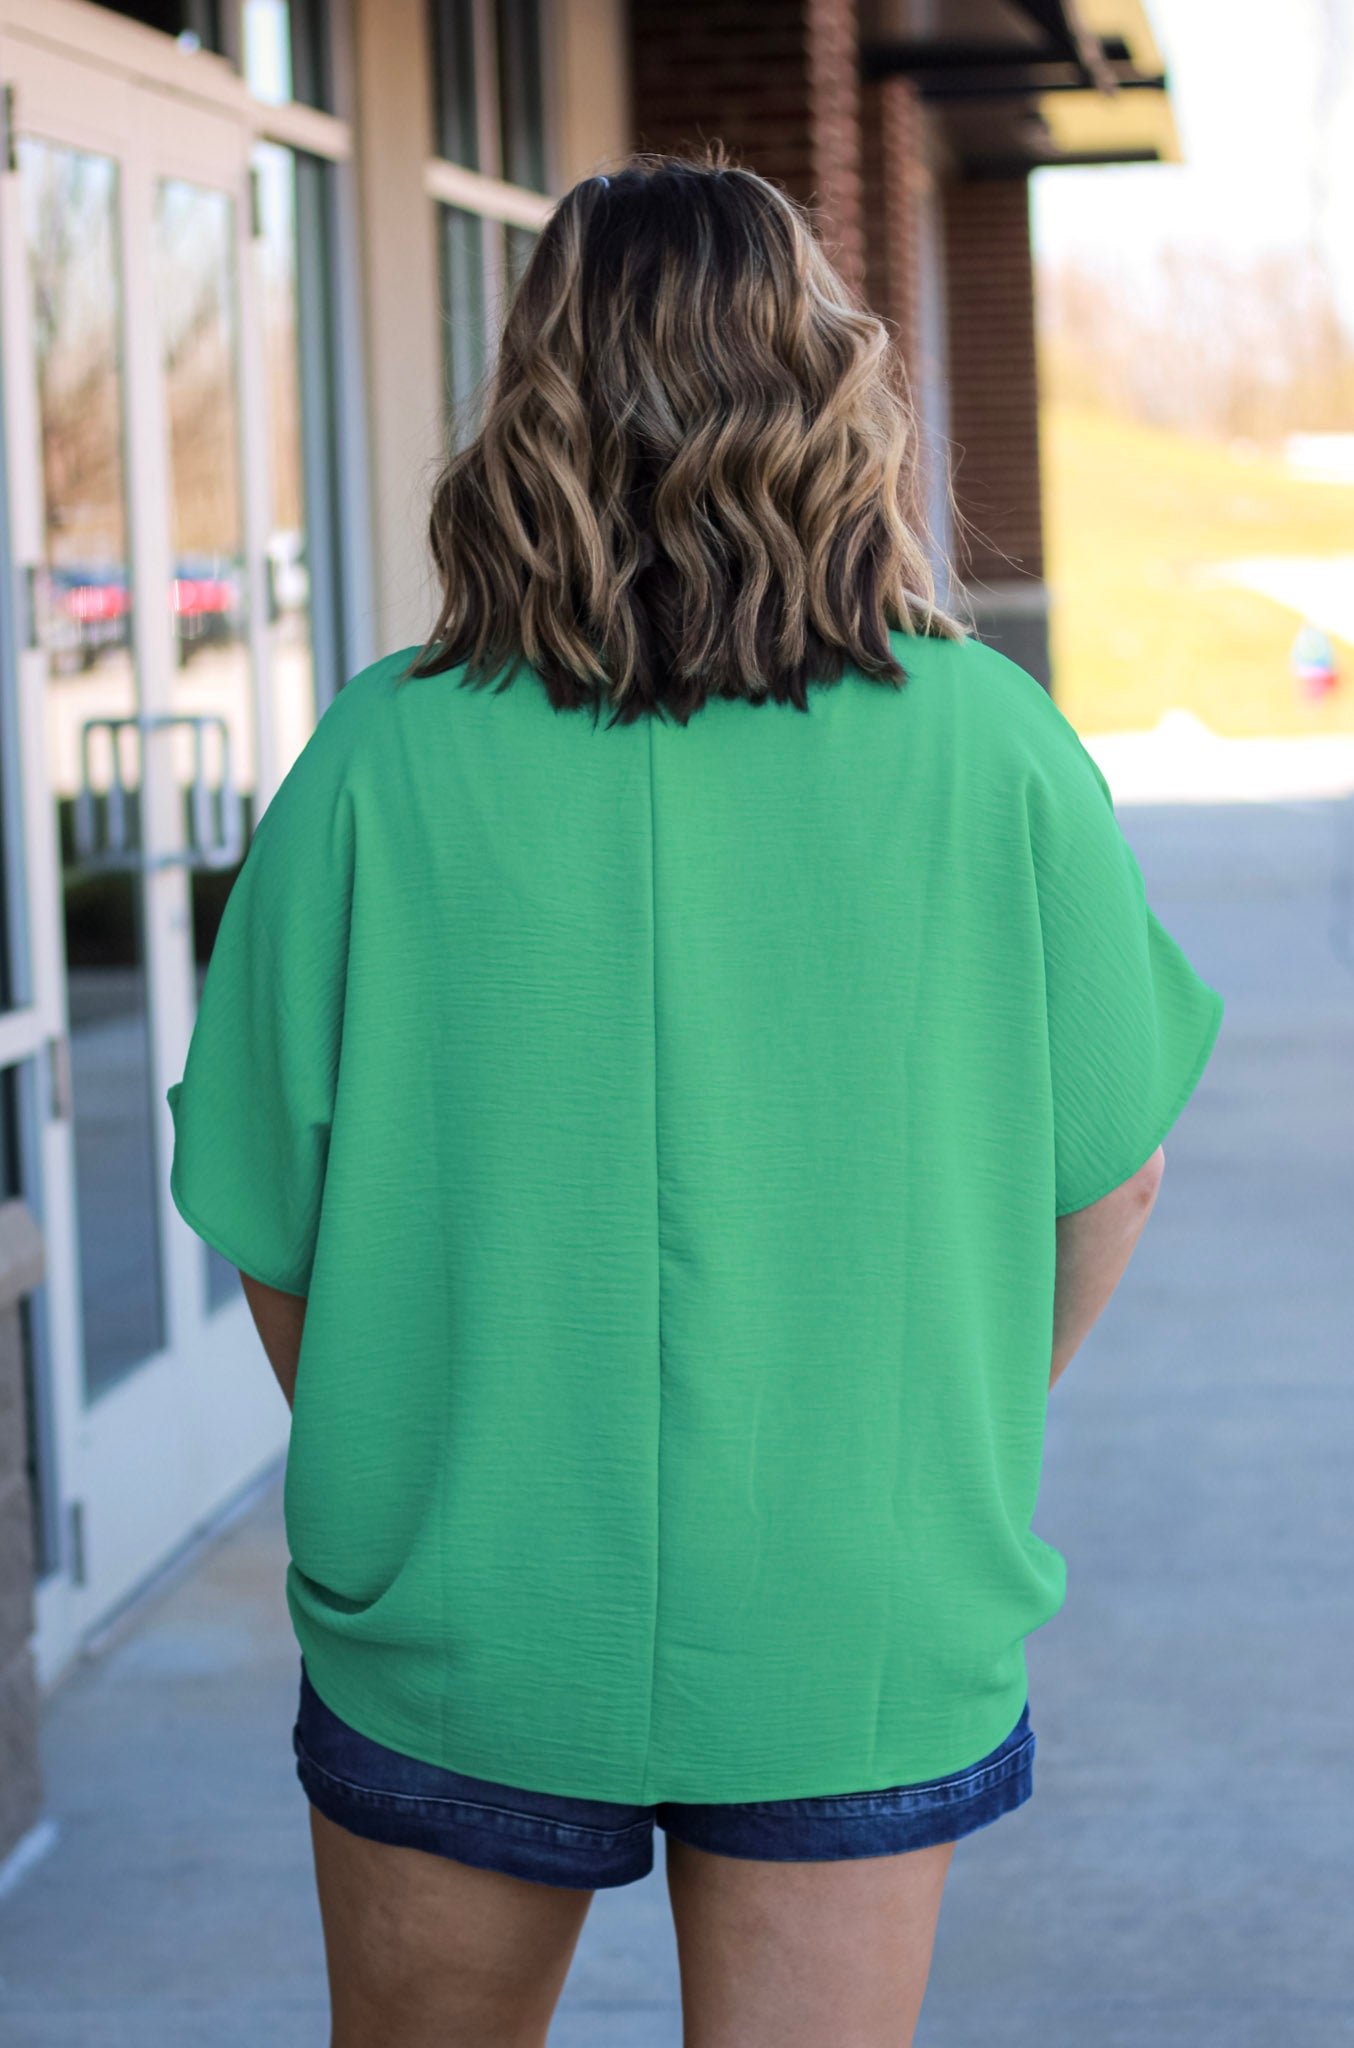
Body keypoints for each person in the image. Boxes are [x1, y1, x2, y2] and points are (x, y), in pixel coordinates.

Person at [165, 148, 1224, 2048]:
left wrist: (430, 1445)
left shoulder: (375, 759)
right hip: (852, 1591)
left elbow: (268, 1211)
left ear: (527, 399)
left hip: (469, 1593)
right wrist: (925, 1425)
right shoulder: (993, 746)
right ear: (827, 385)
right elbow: (1112, 1180)